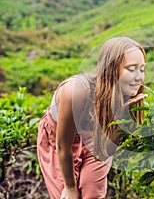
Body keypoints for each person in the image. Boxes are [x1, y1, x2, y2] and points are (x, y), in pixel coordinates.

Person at [37, 37, 147, 199]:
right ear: (111, 69)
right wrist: (70, 187)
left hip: (96, 139)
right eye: (131, 69)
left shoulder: (129, 98)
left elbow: (103, 153)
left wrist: (120, 127)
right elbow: (63, 146)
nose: (139, 77)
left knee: (92, 194)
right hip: (60, 142)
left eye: (142, 69)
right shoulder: (75, 92)